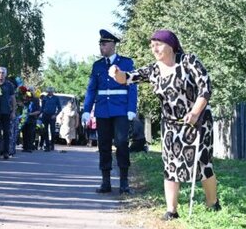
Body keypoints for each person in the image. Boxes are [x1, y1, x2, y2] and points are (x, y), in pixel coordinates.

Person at [110, 29, 220, 219]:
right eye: (152, 46)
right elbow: (128, 78)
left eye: (158, 44)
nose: (155, 49)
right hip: (170, 125)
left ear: (171, 45)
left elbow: (205, 87)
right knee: (170, 165)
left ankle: (213, 203)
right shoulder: (154, 70)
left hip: (197, 122)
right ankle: (172, 210)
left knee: (202, 163)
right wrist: (117, 73)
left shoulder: (188, 61)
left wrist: (195, 112)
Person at [82, 29, 137, 194]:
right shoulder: (97, 65)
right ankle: (105, 182)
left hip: (121, 110)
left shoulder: (126, 63)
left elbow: (132, 88)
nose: (101, 47)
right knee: (104, 146)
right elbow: (91, 89)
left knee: (121, 144)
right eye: (100, 44)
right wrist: (86, 110)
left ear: (113, 45)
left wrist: (131, 109)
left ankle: (124, 182)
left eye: (104, 44)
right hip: (102, 111)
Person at [0, 67, 16, 158]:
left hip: (6, 112)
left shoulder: (9, 85)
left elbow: (13, 99)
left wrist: (13, 112)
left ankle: (6, 152)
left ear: (5, 74)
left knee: (6, 133)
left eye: (3, 73)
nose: (1, 74)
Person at [40, 87, 62, 151]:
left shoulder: (56, 98)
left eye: (51, 92)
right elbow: (42, 107)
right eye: (48, 92)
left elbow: (59, 108)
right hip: (45, 116)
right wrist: (40, 114)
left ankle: (52, 145)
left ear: (53, 92)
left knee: (52, 131)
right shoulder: (44, 98)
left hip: (52, 116)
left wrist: (55, 115)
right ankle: (47, 146)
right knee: (45, 131)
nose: (49, 93)